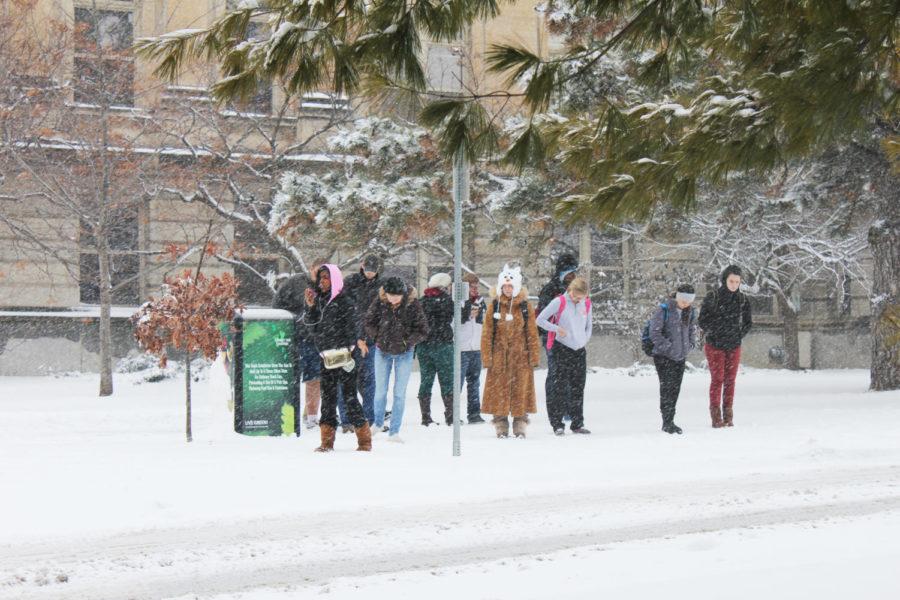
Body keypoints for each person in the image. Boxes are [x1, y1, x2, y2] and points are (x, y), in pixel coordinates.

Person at [302, 264, 372, 452]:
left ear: (335, 279)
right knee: (328, 398)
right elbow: (312, 327)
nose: (323, 281)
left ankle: (364, 441)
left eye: (327, 277)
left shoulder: (345, 301)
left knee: (350, 398)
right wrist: (310, 308)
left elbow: (353, 328)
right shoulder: (319, 301)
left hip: (346, 357)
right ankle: (327, 442)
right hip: (327, 358)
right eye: (321, 278)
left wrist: (346, 351)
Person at [364, 277, 429, 442]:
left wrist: (408, 342)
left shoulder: (412, 304)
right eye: (390, 295)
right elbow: (369, 322)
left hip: (404, 353)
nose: (393, 298)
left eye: (397, 295)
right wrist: (377, 337)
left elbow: (422, 329)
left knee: (399, 393)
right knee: (380, 391)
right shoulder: (380, 302)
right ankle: (377, 423)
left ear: (403, 294)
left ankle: (394, 431)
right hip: (382, 351)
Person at [481, 265, 540, 439]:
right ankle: (500, 424)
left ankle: (520, 423)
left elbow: (531, 333)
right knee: (499, 391)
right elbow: (487, 333)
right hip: (499, 357)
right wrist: (487, 356)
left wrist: (533, 355)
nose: (508, 289)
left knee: (520, 390)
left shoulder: (524, 306)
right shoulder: (494, 306)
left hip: (520, 357)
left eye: (511, 286)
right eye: (505, 286)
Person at [272, 261, 328, 430]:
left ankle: (311, 417)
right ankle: (286, 414)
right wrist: (286, 324)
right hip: (293, 338)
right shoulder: (295, 282)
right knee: (289, 378)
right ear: (311, 269)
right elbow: (276, 304)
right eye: (317, 271)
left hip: (314, 340)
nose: (320, 276)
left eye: (323, 273)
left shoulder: (326, 287)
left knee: (314, 379)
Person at [536, 277, 593, 436]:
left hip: (579, 349)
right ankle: (557, 423)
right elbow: (540, 320)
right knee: (559, 387)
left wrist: (583, 340)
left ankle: (577, 423)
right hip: (561, 348)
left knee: (578, 387)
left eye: (581, 298)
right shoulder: (559, 302)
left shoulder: (586, 304)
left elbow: (589, 326)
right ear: (571, 291)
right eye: (575, 296)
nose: (578, 300)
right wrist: (556, 328)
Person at [698, 265, 753, 428]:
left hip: (734, 345)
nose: (734, 284)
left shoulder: (742, 299)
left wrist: (738, 334)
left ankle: (728, 415)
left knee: (731, 381)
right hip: (715, 345)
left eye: (737, 281)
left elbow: (748, 322)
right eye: (731, 281)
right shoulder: (713, 296)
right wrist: (715, 331)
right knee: (718, 380)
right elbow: (702, 320)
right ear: (725, 280)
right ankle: (716, 417)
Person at [649, 284, 697, 434]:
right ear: (677, 297)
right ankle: (667, 421)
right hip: (664, 357)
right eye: (683, 300)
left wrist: (689, 345)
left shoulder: (690, 312)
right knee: (667, 388)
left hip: (680, 356)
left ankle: (671, 419)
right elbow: (654, 333)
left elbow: (691, 330)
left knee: (675, 389)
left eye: (688, 301)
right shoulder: (664, 310)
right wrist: (668, 348)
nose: (685, 303)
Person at [537, 253, 579, 416]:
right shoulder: (551, 289)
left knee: (571, 375)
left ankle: (570, 408)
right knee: (557, 374)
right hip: (554, 338)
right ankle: (556, 408)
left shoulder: (576, 289)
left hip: (571, 338)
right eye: (570, 272)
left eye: (574, 272)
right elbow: (543, 314)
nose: (573, 275)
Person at [343, 254, 383, 425]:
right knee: (346, 380)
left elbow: (377, 315)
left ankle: (369, 417)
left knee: (369, 381)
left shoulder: (381, 285)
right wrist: (357, 337)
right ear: (362, 266)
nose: (369, 274)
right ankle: (346, 419)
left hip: (371, 339)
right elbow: (350, 312)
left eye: (372, 271)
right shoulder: (351, 282)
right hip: (350, 340)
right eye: (367, 270)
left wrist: (367, 336)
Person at [417, 272, 455, 426]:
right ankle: (450, 415)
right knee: (447, 380)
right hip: (443, 345)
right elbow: (458, 317)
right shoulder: (447, 301)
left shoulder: (421, 301)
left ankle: (425, 417)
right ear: (444, 286)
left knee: (426, 380)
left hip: (423, 346)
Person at [460, 273, 486, 424]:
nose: (474, 289)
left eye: (476, 285)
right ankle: (453, 414)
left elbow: (483, 322)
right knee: (458, 383)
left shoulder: (480, 301)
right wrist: (467, 314)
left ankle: (474, 413)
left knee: (474, 382)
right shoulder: (458, 301)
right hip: (462, 347)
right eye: (471, 286)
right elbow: (454, 321)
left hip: (476, 346)